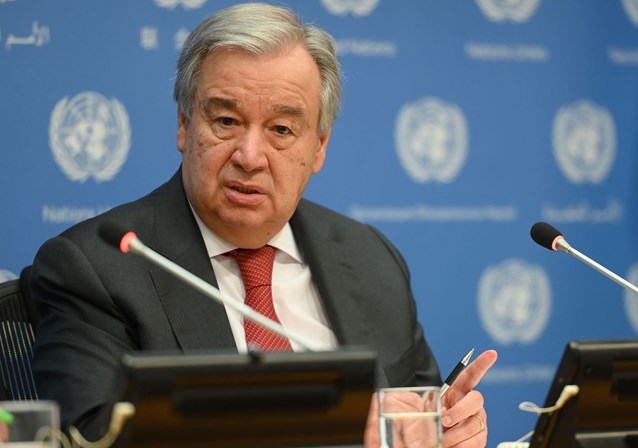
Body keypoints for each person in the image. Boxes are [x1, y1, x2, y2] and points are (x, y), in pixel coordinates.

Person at [30, 2, 497, 447]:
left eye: (281, 130)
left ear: (318, 148)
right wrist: (327, 432)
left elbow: (416, 412)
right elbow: (93, 439)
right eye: (227, 121)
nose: (250, 157)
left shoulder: (371, 256)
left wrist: (444, 429)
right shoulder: (98, 268)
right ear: (183, 125)